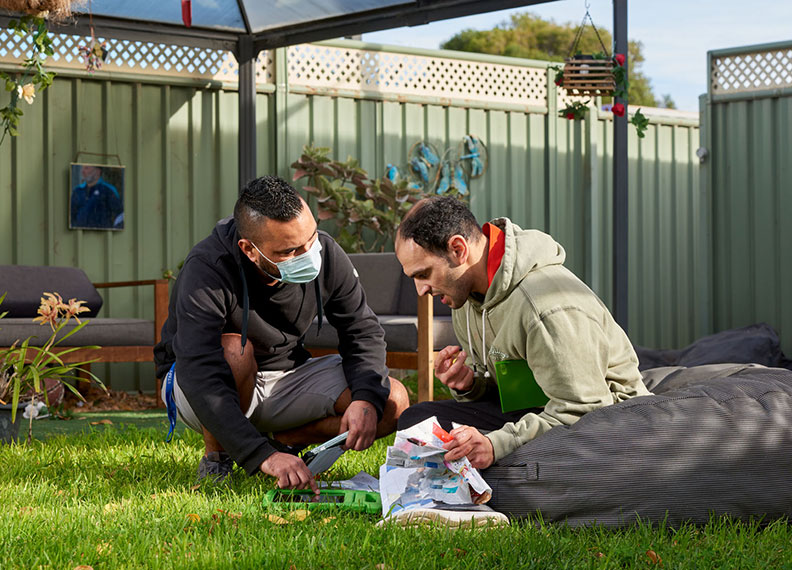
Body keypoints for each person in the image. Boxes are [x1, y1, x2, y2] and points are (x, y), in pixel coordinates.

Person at [154, 176, 409, 489]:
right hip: (203, 385)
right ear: (249, 250)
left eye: (311, 240)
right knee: (234, 352)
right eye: (289, 251)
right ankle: (218, 458)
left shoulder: (326, 253)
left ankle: (284, 442)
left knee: (391, 398)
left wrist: (366, 400)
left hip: (286, 377)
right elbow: (199, 370)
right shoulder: (207, 268)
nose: (307, 256)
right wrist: (259, 456)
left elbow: (362, 330)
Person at [394, 196, 650, 471]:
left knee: (504, 471)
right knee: (418, 421)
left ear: (458, 249)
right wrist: (469, 384)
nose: (421, 290)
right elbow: (512, 383)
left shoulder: (547, 307)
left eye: (424, 274)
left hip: (606, 422)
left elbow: (585, 410)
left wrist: (496, 445)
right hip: (536, 408)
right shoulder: (465, 298)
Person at [70, 165, 123, 229]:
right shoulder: (77, 191)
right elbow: (71, 216)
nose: (82, 171)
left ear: (98, 171)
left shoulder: (108, 190)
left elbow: (120, 215)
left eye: (86, 168)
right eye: (82, 168)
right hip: (80, 235)